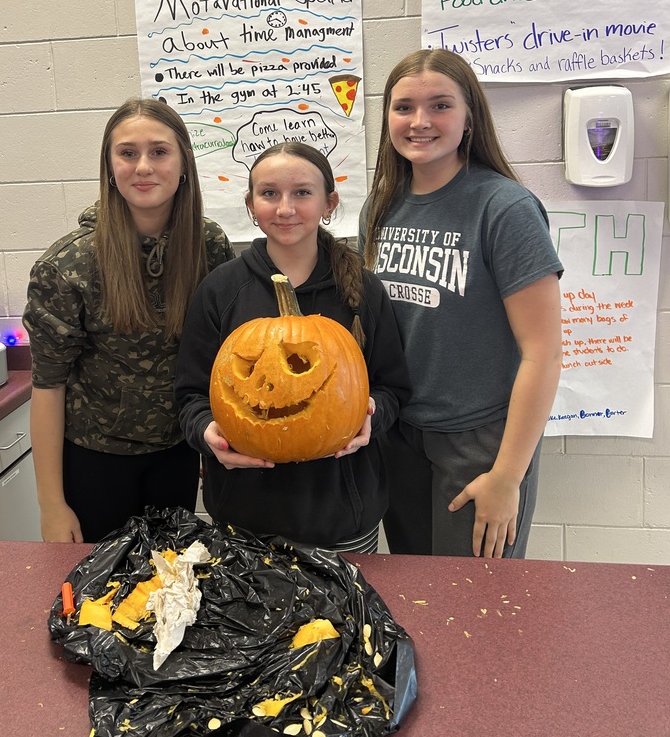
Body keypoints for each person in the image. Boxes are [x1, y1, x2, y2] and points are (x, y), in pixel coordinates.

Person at [359, 49, 563, 559]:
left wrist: (507, 475)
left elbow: (544, 353)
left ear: (469, 116)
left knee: (480, 610)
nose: (420, 121)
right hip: (400, 435)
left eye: (440, 106)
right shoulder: (379, 208)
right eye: (404, 107)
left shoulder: (505, 209)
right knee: (418, 601)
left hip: (480, 443)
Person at [175, 142, 410, 553]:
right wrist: (206, 432)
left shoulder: (364, 289)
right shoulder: (220, 290)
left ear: (329, 203)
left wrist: (374, 414)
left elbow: (393, 388)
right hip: (243, 521)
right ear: (251, 204)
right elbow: (191, 395)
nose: (285, 208)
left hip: (342, 517)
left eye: (302, 192)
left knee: (347, 618)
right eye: (269, 194)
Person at [23, 98, 235, 543]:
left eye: (159, 151)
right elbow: (47, 386)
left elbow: (220, 356)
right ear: (110, 165)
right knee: (104, 597)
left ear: (183, 164)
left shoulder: (208, 245)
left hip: (178, 453)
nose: (143, 166)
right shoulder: (69, 265)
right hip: (95, 461)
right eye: (127, 153)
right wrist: (51, 505)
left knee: (171, 591)